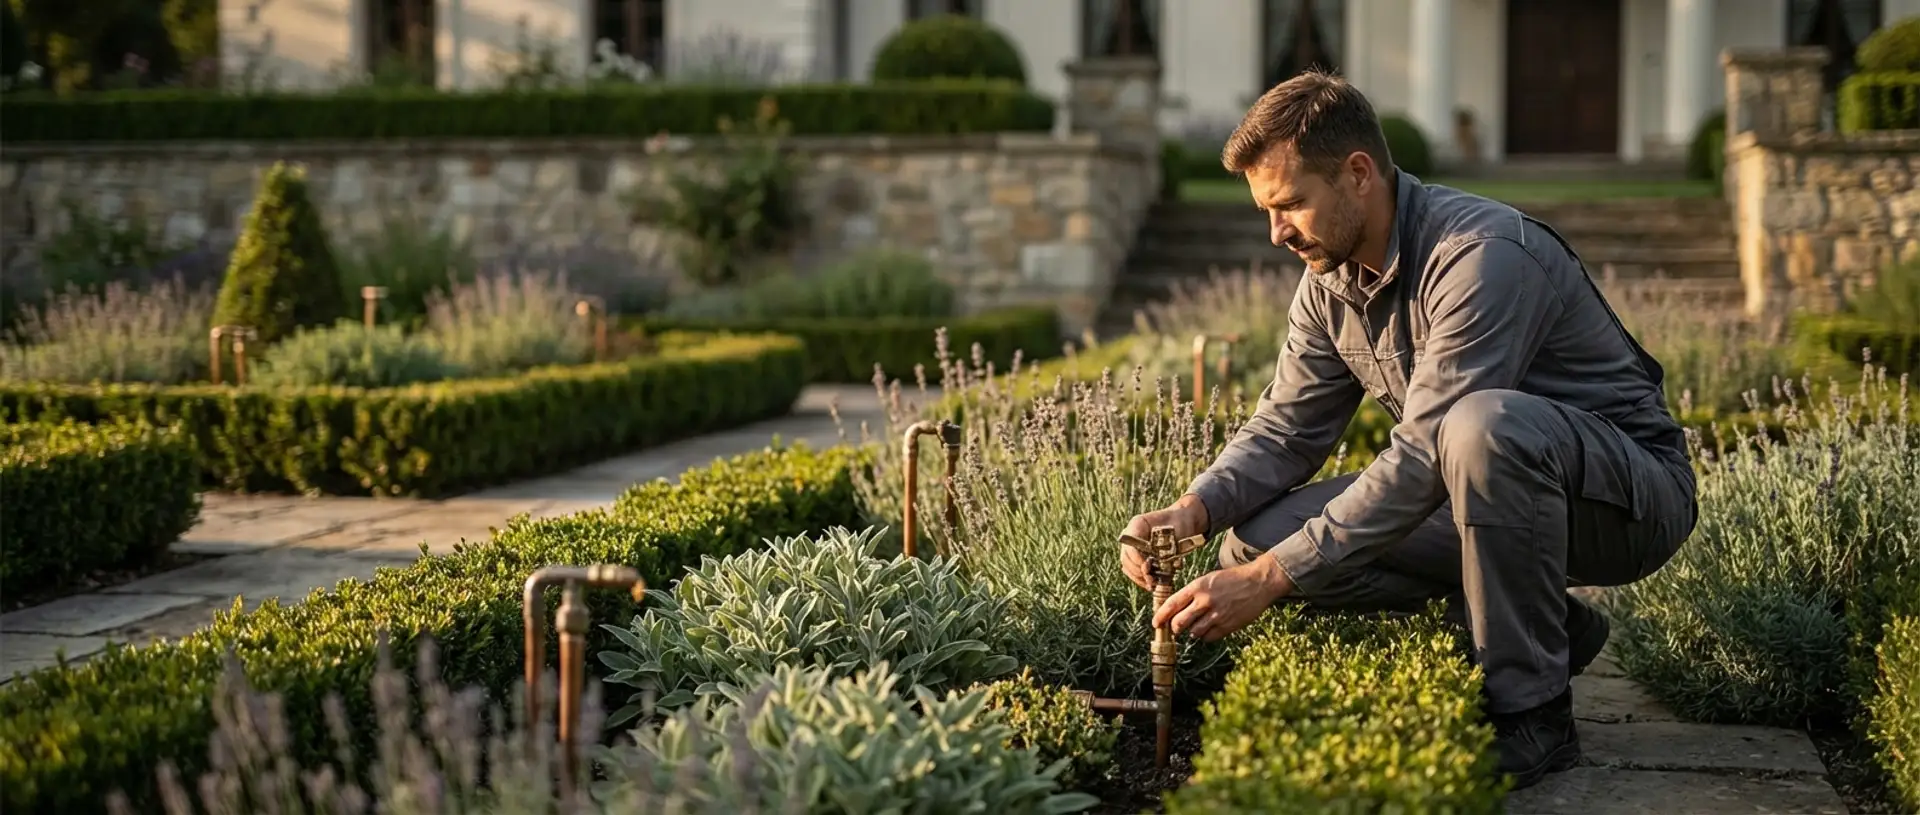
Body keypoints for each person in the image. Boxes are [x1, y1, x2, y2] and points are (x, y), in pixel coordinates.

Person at [1116, 70, 1698, 790]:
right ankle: (1552, 628)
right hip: (1482, 494)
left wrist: (1269, 581)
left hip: (1626, 500)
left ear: (1358, 173)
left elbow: (1424, 454)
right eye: (1267, 210)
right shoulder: (1328, 283)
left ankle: (1534, 713)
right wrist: (1194, 509)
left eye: (1291, 203)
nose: (1276, 232)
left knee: (1482, 424)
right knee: (1254, 535)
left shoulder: (1483, 256)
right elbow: (1286, 430)